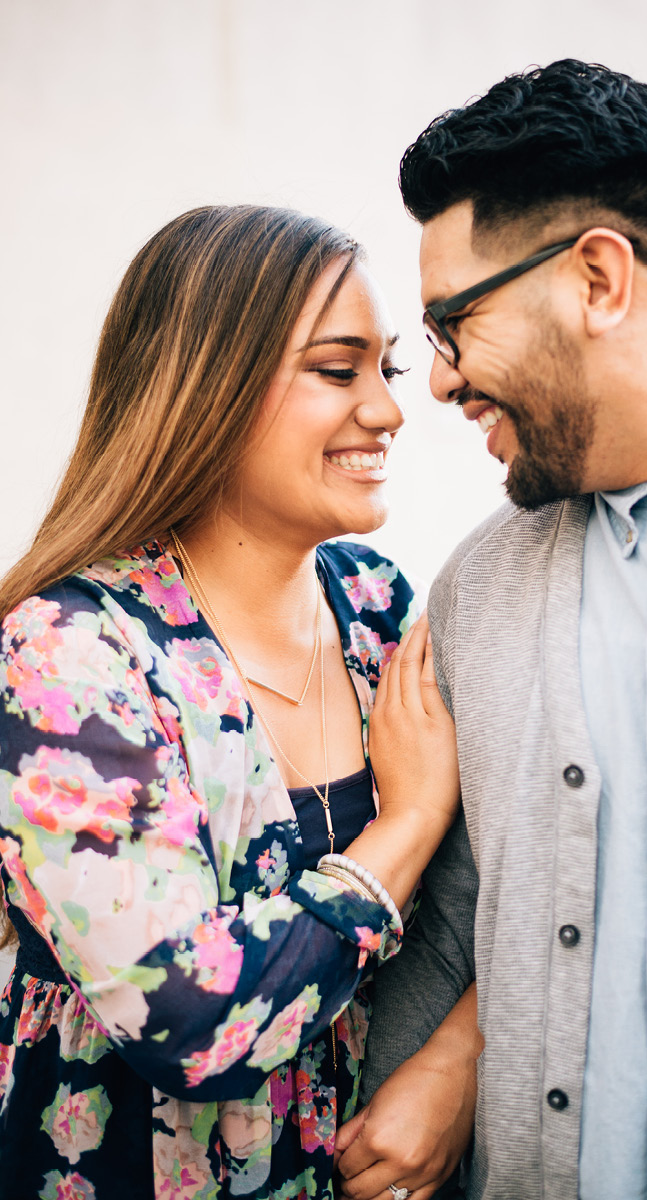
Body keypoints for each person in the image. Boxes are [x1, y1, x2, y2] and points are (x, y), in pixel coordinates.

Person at [335, 59, 647, 1200]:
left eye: (453, 322)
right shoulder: (474, 598)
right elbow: (453, 942)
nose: (434, 385)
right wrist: (452, 1052)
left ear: (597, 277)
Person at [0, 204, 460, 1200]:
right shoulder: (73, 654)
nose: (386, 410)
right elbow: (189, 1021)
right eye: (338, 372)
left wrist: (456, 1064)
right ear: (205, 389)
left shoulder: (378, 610)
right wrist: (409, 821)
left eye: (383, 370)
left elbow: (503, 892)